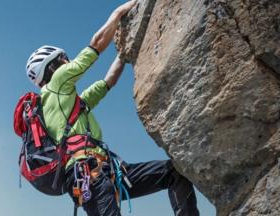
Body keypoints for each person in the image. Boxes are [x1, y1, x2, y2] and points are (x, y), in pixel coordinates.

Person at [25, 1, 200, 215]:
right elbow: (95, 46)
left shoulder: (70, 103)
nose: (67, 62)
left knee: (173, 173)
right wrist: (117, 14)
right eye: (63, 59)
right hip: (89, 175)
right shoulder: (57, 84)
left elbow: (108, 82)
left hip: (107, 172)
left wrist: (125, 53)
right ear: (51, 66)